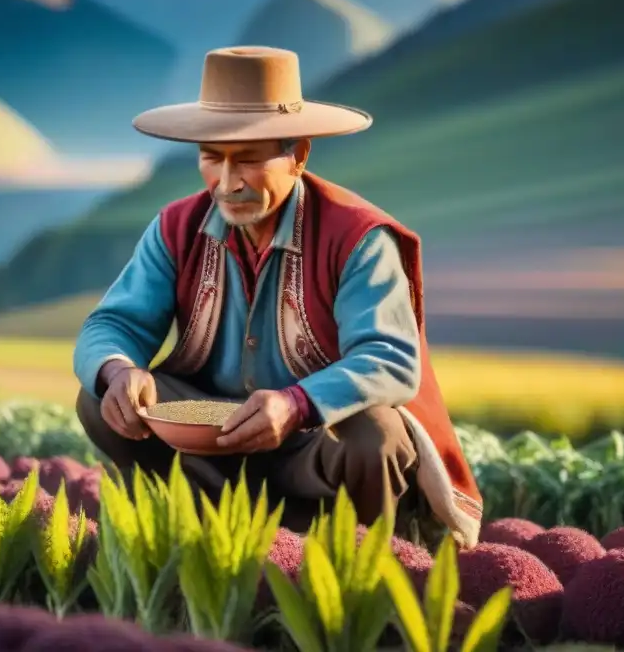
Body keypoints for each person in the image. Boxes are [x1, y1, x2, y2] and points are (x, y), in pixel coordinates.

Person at [72, 46, 482, 548]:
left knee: (379, 434)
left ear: (299, 155)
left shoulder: (357, 237)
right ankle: (193, 535)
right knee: (99, 400)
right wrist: (118, 370)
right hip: (212, 444)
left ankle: (370, 560)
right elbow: (112, 325)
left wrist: (295, 405)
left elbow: (390, 359)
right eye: (211, 159)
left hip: (316, 442)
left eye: (248, 160)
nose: (227, 183)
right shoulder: (176, 228)